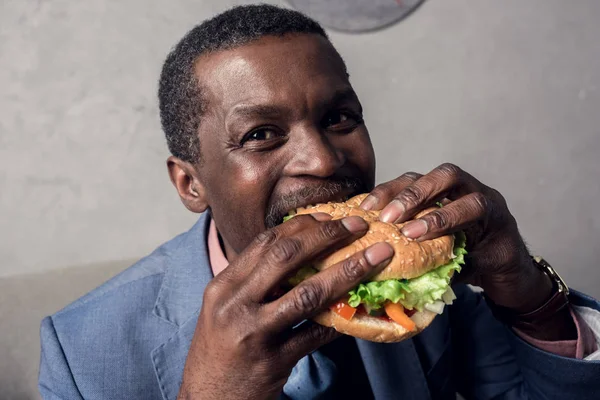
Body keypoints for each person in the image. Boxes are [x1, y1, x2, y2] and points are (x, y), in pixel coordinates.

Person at [38, 4, 600, 400]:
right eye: (260, 134)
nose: (326, 161)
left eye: (339, 118)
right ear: (191, 184)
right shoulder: (83, 355)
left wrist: (527, 292)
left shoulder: (417, 284)